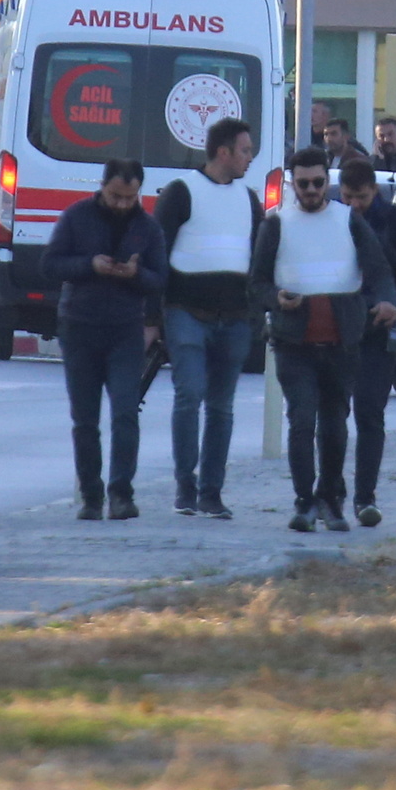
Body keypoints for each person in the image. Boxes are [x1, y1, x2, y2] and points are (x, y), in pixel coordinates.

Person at [251, 146, 396, 534]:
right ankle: (304, 502)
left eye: (319, 182)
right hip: (293, 342)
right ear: (292, 184)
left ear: (327, 181)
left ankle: (331, 500)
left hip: (341, 341)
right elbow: (257, 282)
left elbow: (378, 268)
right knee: (301, 420)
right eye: (304, 184)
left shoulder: (348, 219)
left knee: (334, 425)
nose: (312, 190)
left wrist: (386, 301)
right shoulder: (276, 224)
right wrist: (275, 299)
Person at [43, 157, 168, 521]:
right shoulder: (76, 217)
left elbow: (160, 279)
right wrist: (88, 265)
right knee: (85, 418)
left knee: (126, 412)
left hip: (125, 330)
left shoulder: (148, 228)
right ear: (102, 186)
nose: (121, 204)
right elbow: (50, 265)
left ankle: (121, 494)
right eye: (115, 196)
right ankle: (91, 496)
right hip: (79, 326)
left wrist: (135, 274)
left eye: (129, 198)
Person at [153, 116, 262, 520]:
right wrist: (153, 314)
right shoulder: (182, 192)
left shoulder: (249, 199)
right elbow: (157, 252)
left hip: (234, 317)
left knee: (222, 406)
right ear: (224, 152)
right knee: (190, 395)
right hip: (186, 312)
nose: (250, 157)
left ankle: (211, 492)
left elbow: (260, 254)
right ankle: (186, 485)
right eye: (245, 150)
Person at [338, 159, 396, 529]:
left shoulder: (394, 218)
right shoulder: (333, 218)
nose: (355, 204)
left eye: (361, 197)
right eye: (348, 197)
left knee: (370, 414)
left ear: (375, 191)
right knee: (332, 416)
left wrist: (375, 247)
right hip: (340, 326)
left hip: (380, 326)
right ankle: (331, 493)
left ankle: (365, 497)